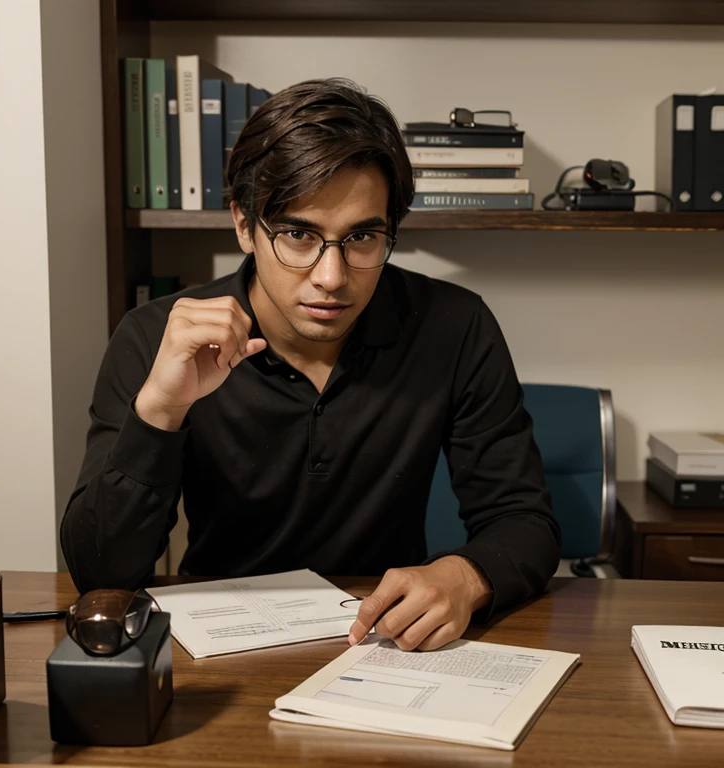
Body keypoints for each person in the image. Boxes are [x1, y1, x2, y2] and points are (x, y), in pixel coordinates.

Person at [62, 78, 560, 652]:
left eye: (363, 237)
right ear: (244, 226)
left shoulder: (454, 325)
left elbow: (525, 520)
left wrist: (466, 576)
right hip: (221, 652)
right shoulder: (156, 335)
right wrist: (161, 410)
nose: (332, 277)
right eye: (299, 234)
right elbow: (98, 573)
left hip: (384, 644)